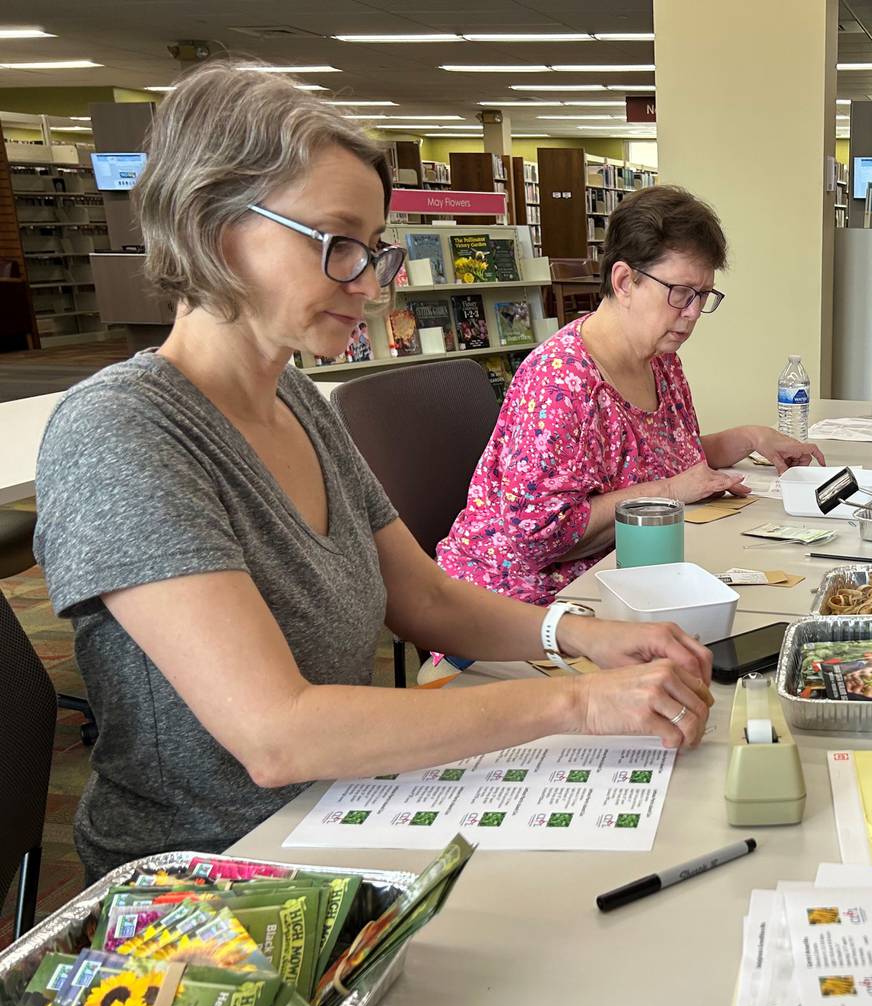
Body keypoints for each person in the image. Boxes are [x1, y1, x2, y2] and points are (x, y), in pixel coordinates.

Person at [32, 63, 715, 885]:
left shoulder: (295, 397)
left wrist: (580, 635)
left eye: (373, 250)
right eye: (336, 245)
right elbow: (277, 733)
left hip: (339, 812)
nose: (366, 283)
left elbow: (422, 597)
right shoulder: (123, 430)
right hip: (213, 878)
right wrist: (576, 699)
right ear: (214, 227)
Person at [437, 185, 824, 608]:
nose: (693, 312)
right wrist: (671, 492)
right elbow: (538, 539)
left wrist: (751, 438)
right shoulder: (561, 384)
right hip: (518, 603)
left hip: (622, 578)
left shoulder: (659, 358)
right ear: (624, 281)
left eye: (703, 296)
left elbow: (664, 458)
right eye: (681, 292)